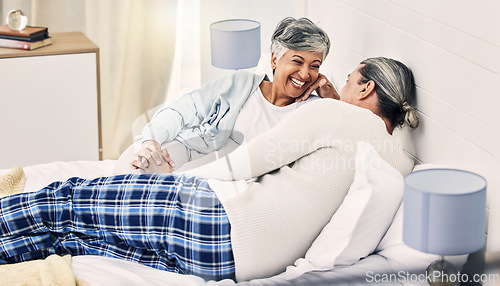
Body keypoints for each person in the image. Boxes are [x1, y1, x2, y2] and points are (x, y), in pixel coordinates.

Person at [0, 57, 419, 282]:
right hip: (227, 263)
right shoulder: (398, 162)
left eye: (348, 78)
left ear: (366, 89)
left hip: (214, 218)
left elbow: (245, 163)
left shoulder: (336, 114)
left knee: (67, 199)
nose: (335, 85)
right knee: (76, 239)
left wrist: (168, 185)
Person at [114, 17, 338, 174]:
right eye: (297, 62)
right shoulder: (240, 84)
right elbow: (181, 110)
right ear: (274, 60)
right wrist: (152, 142)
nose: (305, 74)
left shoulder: (313, 109)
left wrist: (333, 98)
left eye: (315, 66)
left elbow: (347, 133)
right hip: (191, 160)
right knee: (131, 166)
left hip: (223, 187)